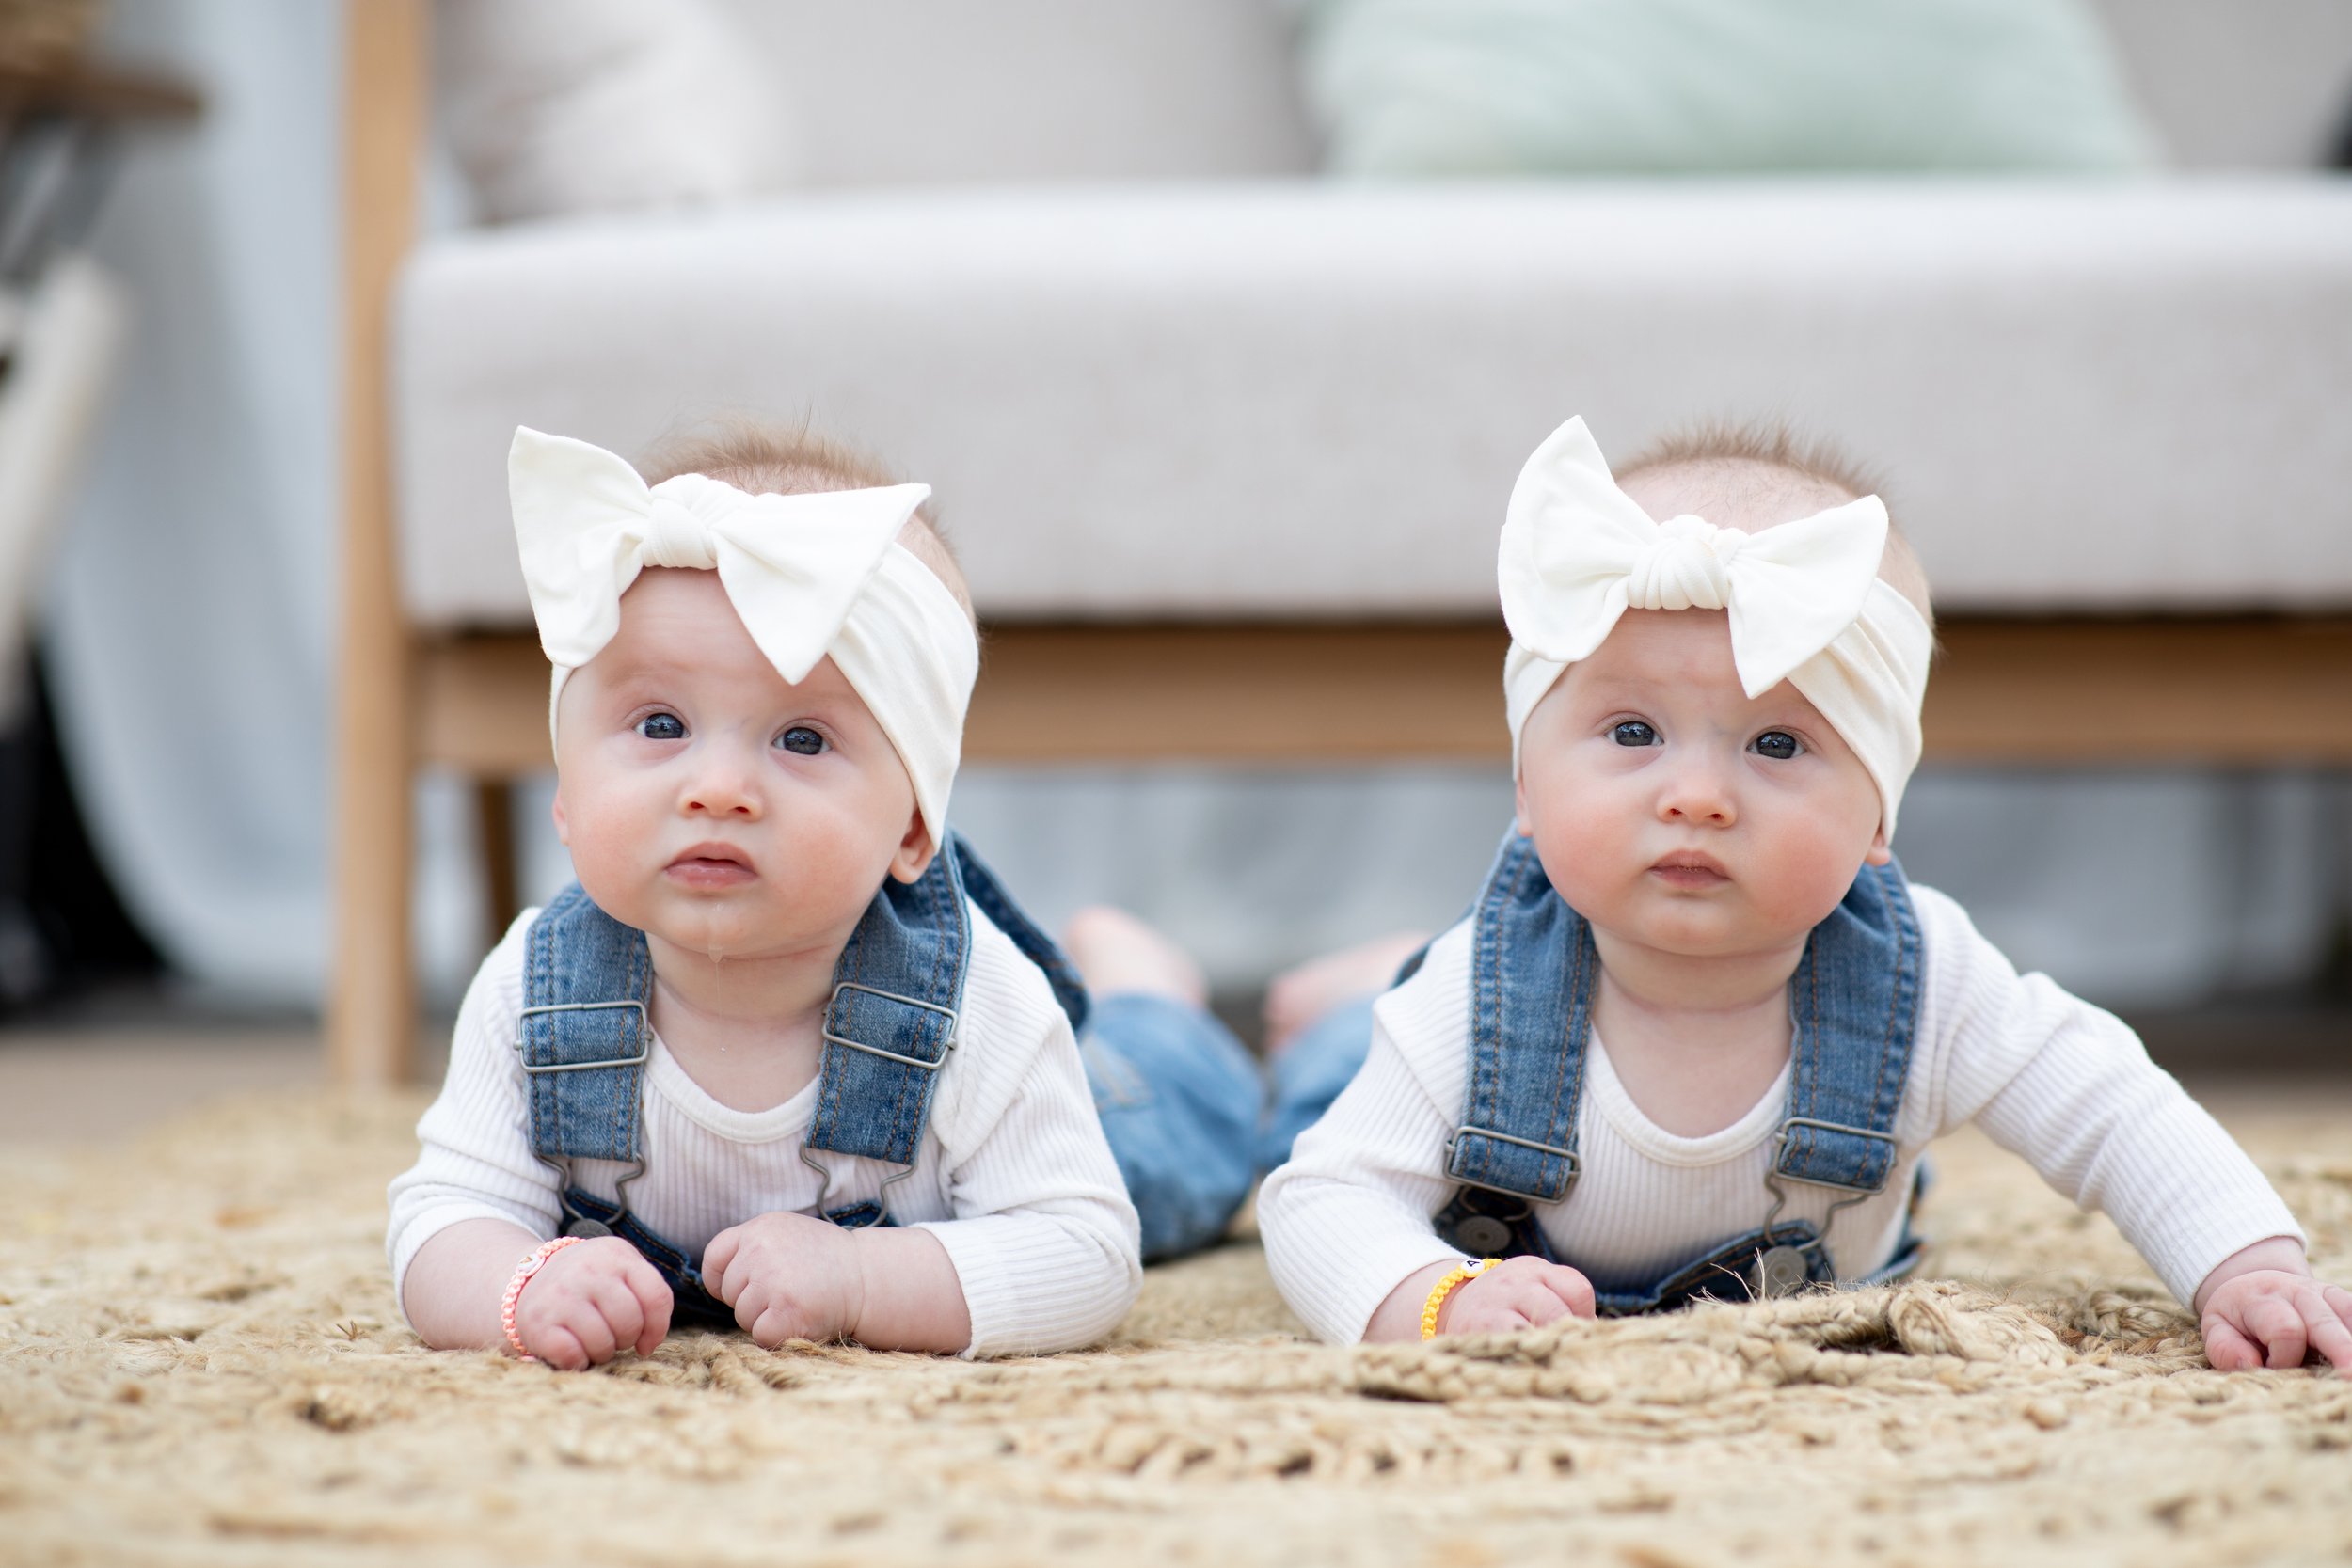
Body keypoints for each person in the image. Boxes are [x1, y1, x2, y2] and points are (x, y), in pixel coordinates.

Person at [1257, 415, 2352, 1372]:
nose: (1695, 795)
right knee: (1302, 1099)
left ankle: (1364, 977)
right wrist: (1435, 1300)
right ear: (1524, 791)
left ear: (1879, 815)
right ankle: (1356, 993)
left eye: (1777, 742)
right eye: (1630, 731)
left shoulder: (1926, 977)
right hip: (1423, 1058)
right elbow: (1322, 1199)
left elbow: (2116, 1109)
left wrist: (2246, 1266)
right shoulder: (1473, 997)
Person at [387, 422, 1259, 1368]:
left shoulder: (981, 1008)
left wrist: (858, 1277)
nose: (716, 786)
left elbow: (1085, 1253)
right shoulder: (531, 987)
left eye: (801, 739)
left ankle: (1148, 993)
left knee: (1177, 1127)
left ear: (913, 829)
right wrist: (519, 1281)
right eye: (660, 723)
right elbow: (444, 1214)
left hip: (1083, 1120)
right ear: (564, 791)